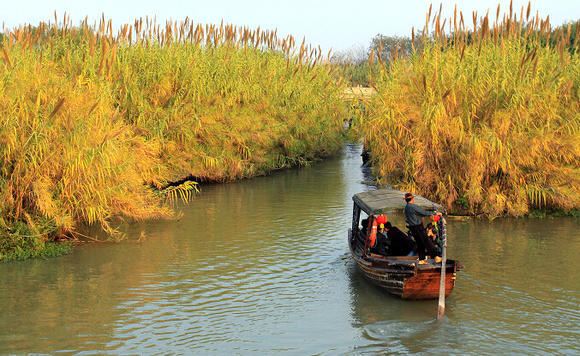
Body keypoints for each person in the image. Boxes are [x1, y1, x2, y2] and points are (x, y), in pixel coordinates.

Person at [403, 192, 442, 264]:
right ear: (412, 199)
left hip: (412, 228)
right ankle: (436, 256)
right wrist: (435, 213)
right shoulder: (413, 206)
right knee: (426, 241)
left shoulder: (406, 208)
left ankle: (421, 259)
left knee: (419, 243)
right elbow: (423, 212)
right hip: (418, 227)